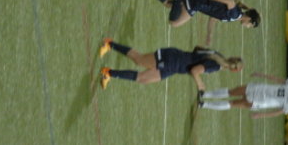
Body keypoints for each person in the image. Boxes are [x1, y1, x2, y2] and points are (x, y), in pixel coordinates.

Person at [139, 0, 260, 40]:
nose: (248, 27)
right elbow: (230, 1)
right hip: (197, 3)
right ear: (249, 19)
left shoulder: (235, 16)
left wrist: (209, 34)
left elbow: (213, 18)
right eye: (250, 25)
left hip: (198, 2)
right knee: (173, 22)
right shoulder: (235, 13)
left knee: (168, 4)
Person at [97, 38, 242, 90]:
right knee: (139, 59)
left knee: (143, 79)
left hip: (174, 66)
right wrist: (200, 84)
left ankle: (107, 73)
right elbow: (195, 71)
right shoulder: (216, 65)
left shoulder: (217, 54)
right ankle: (109, 44)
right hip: (172, 60)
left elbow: (197, 48)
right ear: (233, 70)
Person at [198, 73, 288, 118]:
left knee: (233, 103)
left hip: (259, 102)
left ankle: (204, 104)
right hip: (259, 88)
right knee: (232, 91)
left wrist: (261, 114)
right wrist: (262, 75)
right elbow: (278, 80)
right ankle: (205, 94)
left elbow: (277, 112)